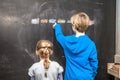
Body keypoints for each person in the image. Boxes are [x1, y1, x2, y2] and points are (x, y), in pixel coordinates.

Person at [52, 12, 98, 80]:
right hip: (86, 77)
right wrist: (91, 76)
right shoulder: (91, 44)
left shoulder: (67, 41)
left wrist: (56, 26)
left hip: (70, 77)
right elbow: (94, 64)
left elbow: (59, 36)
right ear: (86, 26)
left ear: (74, 26)